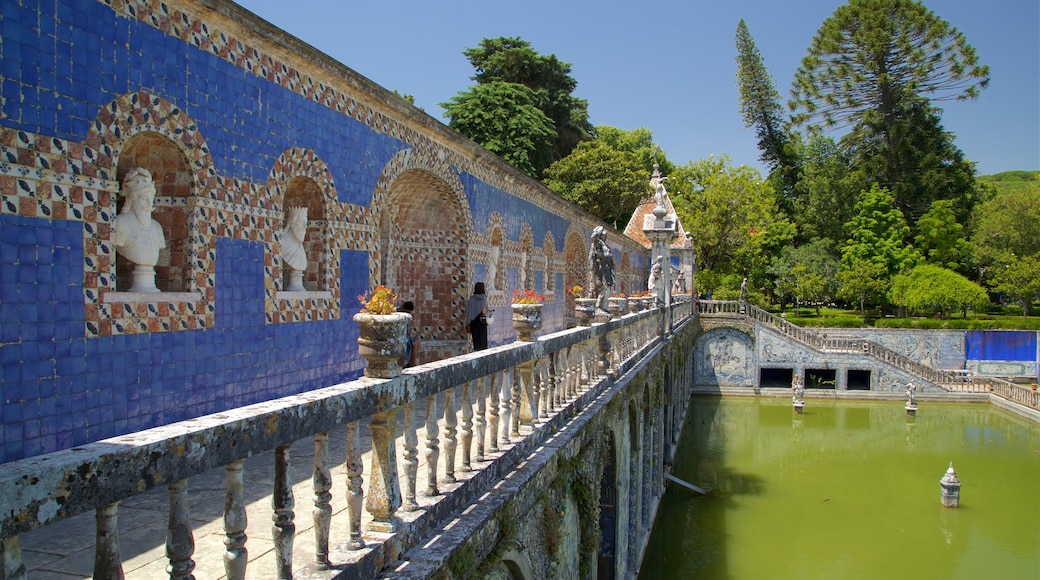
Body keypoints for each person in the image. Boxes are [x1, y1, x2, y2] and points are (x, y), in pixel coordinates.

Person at [113, 167, 166, 293]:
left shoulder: (157, 227)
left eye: (150, 199)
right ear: (131, 200)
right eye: (143, 199)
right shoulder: (121, 223)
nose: (149, 205)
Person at [588, 226, 616, 313]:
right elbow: (593, 237)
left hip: (606, 270)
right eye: (604, 235)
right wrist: (599, 229)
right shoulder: (597, 243)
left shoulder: (603, 245)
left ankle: (602, 307)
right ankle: (598, 307)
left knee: (607, 289)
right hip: (600, 271)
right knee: (603, 289)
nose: (605, 237)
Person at [465, 282, 490, 351]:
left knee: (476, 341)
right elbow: (485, 311)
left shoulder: (472, 299)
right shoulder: (484, 299)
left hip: (474, 323)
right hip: (482, 322)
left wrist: (468, 323)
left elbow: (467, 312)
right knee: (483, 340)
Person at [398, 301, 420, 367]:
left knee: (417, 344)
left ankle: (411, 363)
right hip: (400, 337)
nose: (408, 314)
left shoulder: (406, 315)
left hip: (406, 336)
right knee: (414, 345)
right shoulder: (397, 313)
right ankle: (412, 364)